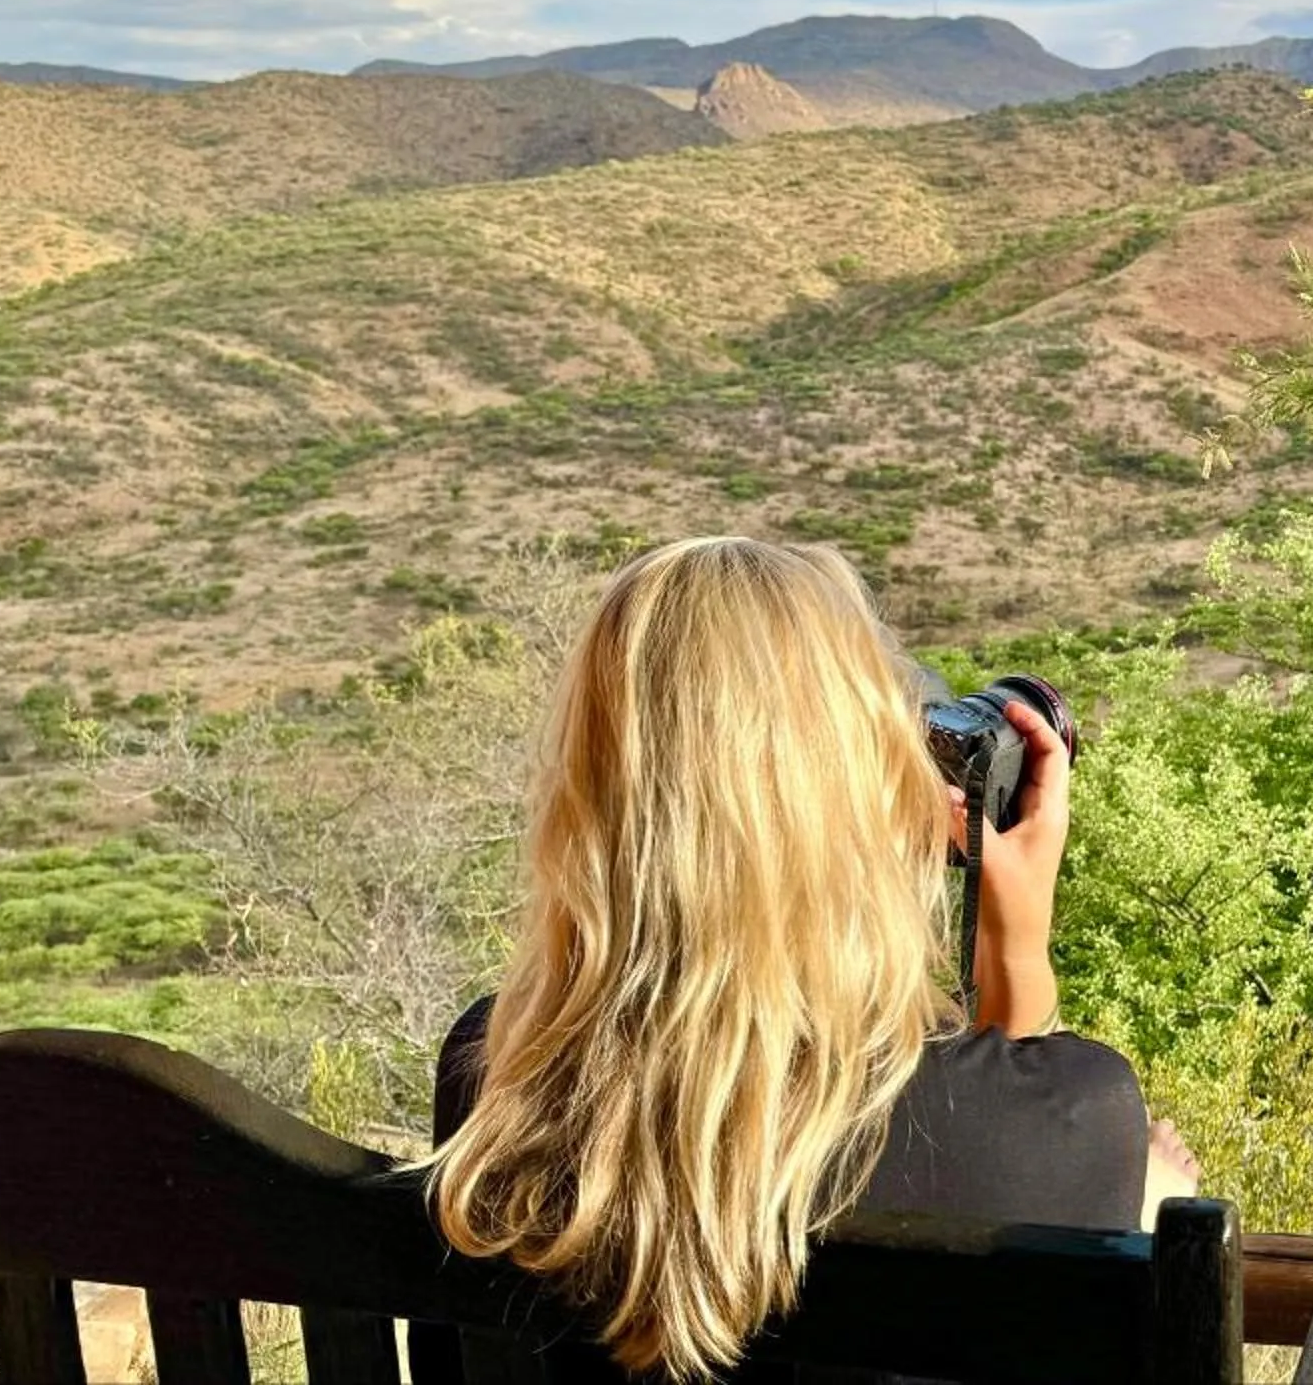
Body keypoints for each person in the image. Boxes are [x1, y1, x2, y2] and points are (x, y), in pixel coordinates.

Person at [422, 537, 1200, 1383]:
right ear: (850, 795)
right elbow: (986, 1140)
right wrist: (1140, 1197)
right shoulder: (1068, 1118)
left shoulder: (497, 1077)